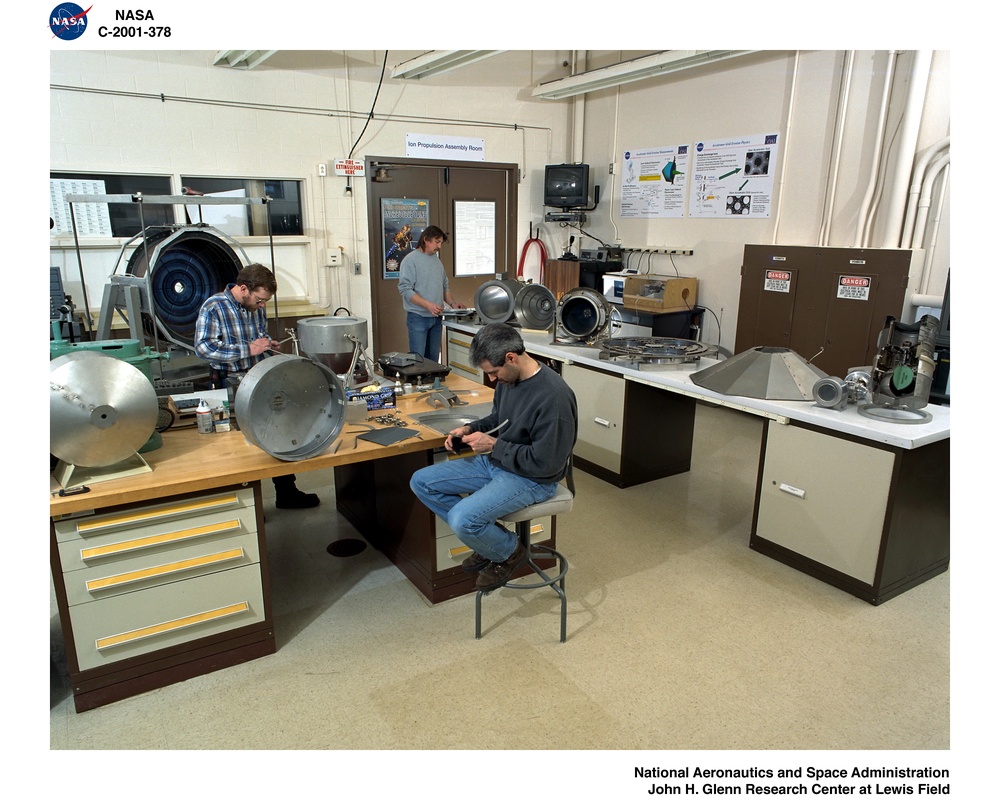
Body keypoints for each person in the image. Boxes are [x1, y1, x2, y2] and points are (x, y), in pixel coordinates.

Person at [409, 323, 578, 591]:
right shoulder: (509, 379)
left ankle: (508, 552)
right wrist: (469, 429)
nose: (491, 380)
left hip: (533, 478)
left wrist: (493, 445)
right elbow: (499, 419)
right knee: (421, 482)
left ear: (511, 357)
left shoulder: (553, 397)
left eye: (493, 373)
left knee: (463, 520)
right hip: (499, 463)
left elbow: (548, 463)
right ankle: (491, 539)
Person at [194, 263, 319, 510]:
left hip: (259, 378)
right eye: (260, 300)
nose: (262, 306)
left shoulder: (255, 307)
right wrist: (248, 349)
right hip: (229, 381)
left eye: (265, 302)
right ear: (243, 289)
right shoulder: (214, 307)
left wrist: (267, 344)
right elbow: (203, 348)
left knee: (276, 433)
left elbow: (257, 338)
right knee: (239, 447)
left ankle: (286, 493)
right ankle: (247, 508)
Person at [397, 225, 465, 361]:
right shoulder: (410, 261)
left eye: (441, 243)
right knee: (418, 360)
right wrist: (427, 305)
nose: (439, 246)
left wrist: (453, 303)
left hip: (436, 319)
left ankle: (434, 383)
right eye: (437, 242)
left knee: (433, 360)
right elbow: (405, 290)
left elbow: (444, 287)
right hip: (418, 318)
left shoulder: (437, 261)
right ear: (426, 240)